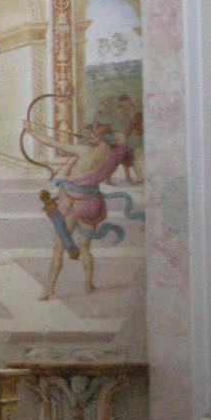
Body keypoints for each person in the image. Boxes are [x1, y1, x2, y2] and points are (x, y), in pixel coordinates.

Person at [36, 120, 138, 300]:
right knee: (84, 247)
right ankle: (89, 283)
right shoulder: (114, 153)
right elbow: (123, 145)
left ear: (100, 137)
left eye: (93, 134)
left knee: (59, 246)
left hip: (73, 203)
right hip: (93, 204)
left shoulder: (85, 151)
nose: (89, 137)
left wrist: (30, 131)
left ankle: (50, 289)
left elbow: (53, 143)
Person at [114, 93, 144, 183]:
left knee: (135, 158)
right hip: (126, 138)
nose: (122, 105)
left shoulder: (134, 111)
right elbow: (121, 123)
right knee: (126, 157)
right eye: (121, 103)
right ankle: (128, 177)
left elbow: (132, 125)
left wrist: (126, 133)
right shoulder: (122, 111)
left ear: (128, 101)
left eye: (124, 102)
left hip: (134, 138)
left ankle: (139, 177)